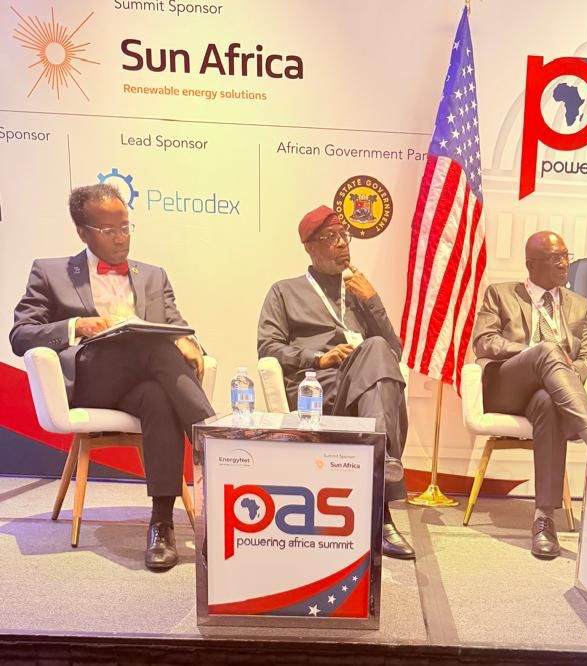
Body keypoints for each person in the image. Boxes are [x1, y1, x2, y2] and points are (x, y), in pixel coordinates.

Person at [9, 183, 214, 571]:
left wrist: (188, 341)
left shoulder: (152, 275)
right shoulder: (50, 272)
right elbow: (20, 336)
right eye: (109, 230)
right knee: (157, 350)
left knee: (158, 396)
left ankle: (161, 525)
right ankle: (216, 441)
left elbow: (175, 324)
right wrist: (77, 325)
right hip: (92, 381)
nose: (122, 238)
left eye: (125, 227)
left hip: (141, 382)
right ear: (82, 232)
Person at [257, 205, 414, 560]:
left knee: (376, 352)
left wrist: (373, 301)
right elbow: (268, 347)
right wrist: (318, 358)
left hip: (364, 386)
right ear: (310, 247)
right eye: (331, 237)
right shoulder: (284, 292)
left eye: (345, 236)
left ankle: (380, 473)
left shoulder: (358, 293)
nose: (342, 244)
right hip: (319, 389)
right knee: (375, 361)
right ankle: (384, 491)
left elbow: (394, 352)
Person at [472, 231, 587, 560]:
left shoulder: (580, 306)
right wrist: (535, 352)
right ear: (531, 265)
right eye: (555, 258)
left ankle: (544, 519)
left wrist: (564, 368)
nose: (564, 264)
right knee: (546, 349)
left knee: (548, 403)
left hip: (550, 391)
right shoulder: (500, 294)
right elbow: (484, 342)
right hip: (508, 386)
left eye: (566, 256)